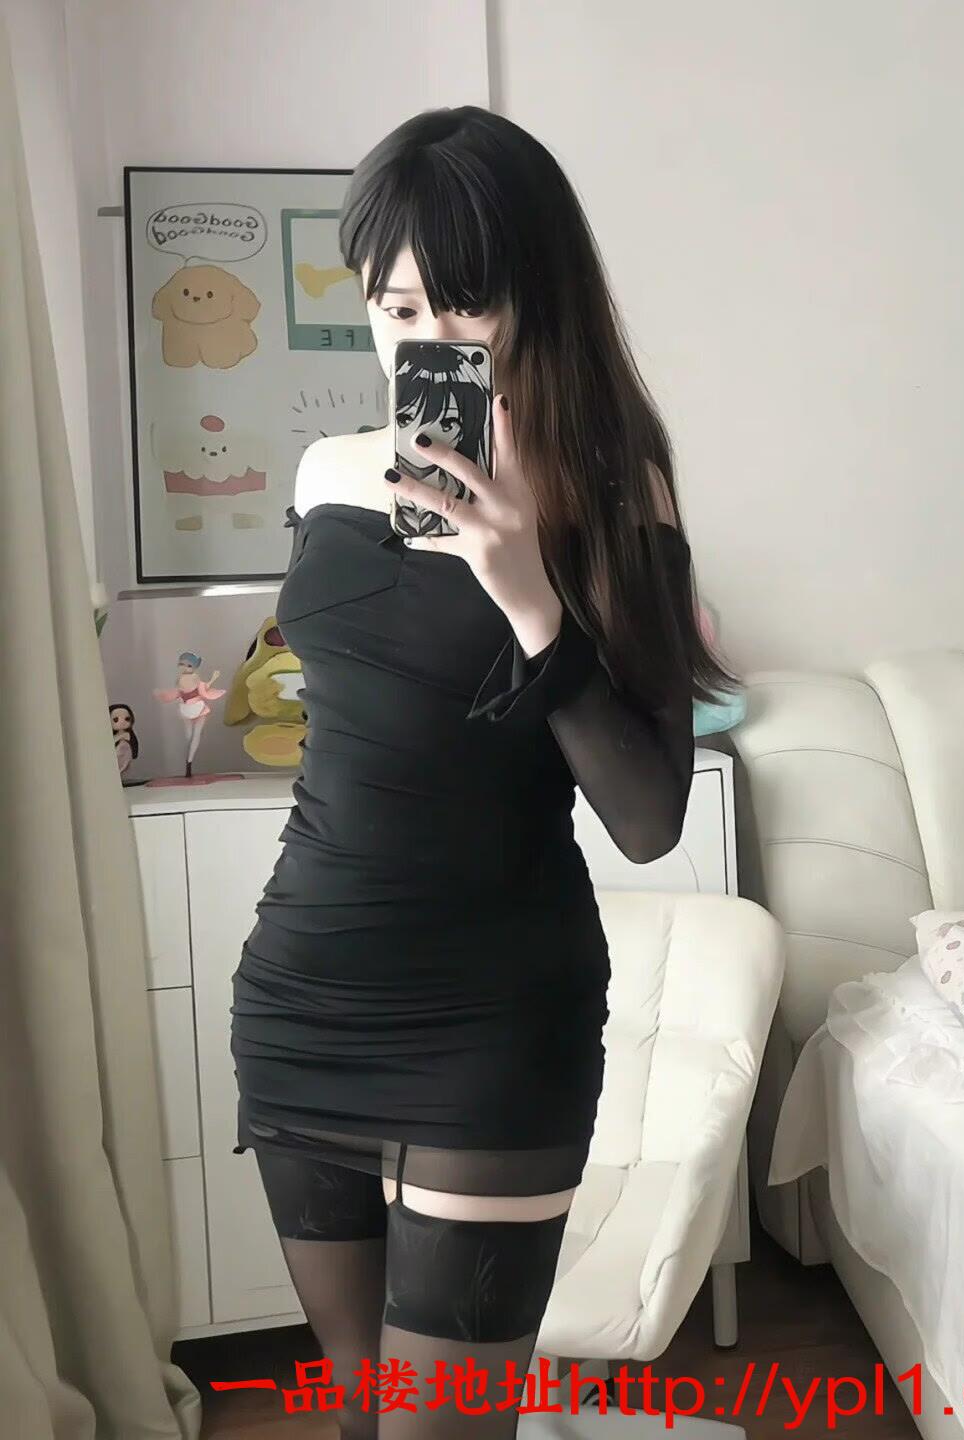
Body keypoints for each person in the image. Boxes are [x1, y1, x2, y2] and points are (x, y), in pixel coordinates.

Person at [230, 105, 737, 1439]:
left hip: (491, 1027)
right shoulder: (330, 474)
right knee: (364, 1411)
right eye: (396, 308)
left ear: (534, 296)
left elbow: (647, 816)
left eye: (464, 305)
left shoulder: (620, 492)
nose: (426, 341)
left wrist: (526, 593)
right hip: (302, 994)